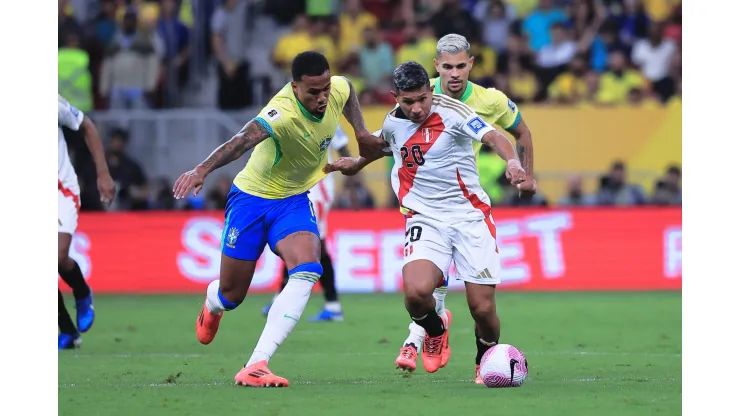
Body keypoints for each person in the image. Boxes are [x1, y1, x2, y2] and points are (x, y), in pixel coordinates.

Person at [172, 51, 381, 388]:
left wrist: (360, 130)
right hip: (251, 200)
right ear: (294, 87)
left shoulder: (336, 89)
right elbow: (241, 141)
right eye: (313, 92)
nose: (323, 97)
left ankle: (256, 363)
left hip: (293, 201)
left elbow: (348, 91)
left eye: (325, 88)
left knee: (308, 267)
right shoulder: (280, 113)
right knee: (232, 295)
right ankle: (213, 304)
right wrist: (202, 170)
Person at [324, 61, 536, 375]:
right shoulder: (394, 122)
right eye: (408, 101)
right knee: (415, 295)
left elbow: (494, 137)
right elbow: (383, 145)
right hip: (424, 219)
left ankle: (484, 361)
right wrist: (355, 165)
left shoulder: (452, 112)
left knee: (483, 309)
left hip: (469, 217)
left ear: (430, 92)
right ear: (395, 96)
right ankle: (436, 332)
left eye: (422, 98)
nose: (417, 107)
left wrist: (514, 162)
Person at [398, 33, 537, 383]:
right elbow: (388, 134)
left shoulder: (489, 100)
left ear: (471, 64)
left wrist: (524, 173)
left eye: (461, 66)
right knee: (421, 288)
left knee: (481, 306)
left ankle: (470, 353)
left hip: (468, 206)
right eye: (447, 67)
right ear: (436, 68)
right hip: (426, 208)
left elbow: (520, 134)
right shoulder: (417, 92)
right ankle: (422, 336)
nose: (454, 73)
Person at [261, 124, 351, 322]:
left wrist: (349, 180)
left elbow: (344, 148)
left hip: (317, 192)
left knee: (315, 244)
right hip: (301, 191)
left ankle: (331, 305)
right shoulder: (293, 117)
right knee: (301, 242)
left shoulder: (329, 118)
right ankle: (326, 304)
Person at [58, 95, 116, 350]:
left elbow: (87, 126)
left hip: (60, 191)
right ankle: (69, 331)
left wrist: (102, 174)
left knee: (56, 258)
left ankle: (81, 292)